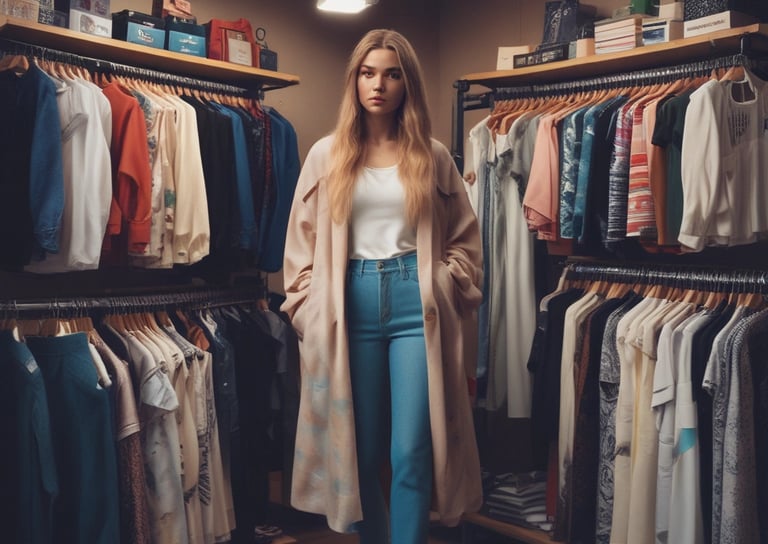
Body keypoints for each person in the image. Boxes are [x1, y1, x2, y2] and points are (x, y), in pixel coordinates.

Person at [280, 28, 484, 543]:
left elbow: (465, 240)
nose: (379, 85)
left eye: (392, 74)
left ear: (406, 83)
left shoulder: (433, 155)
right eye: (369, 73)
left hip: (418, 307)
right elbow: (299, 250)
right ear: (354, 81)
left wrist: (444, 279)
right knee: (362, 451)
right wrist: (310, 305)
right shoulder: (326, 156)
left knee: (411, 449)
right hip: (350, 306)